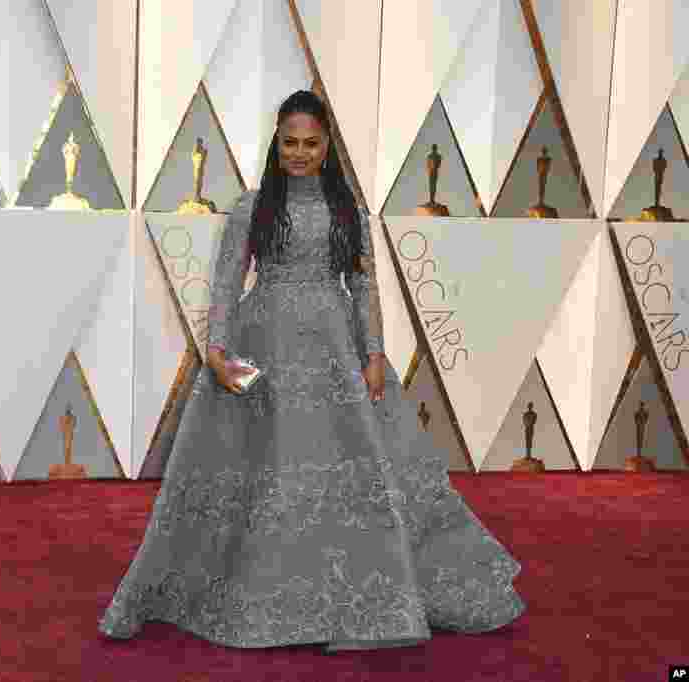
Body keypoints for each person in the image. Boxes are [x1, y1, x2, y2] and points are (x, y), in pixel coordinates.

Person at [99, 90, 525, 651]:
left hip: (334, 351)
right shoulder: (253, 208)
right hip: (265, 349)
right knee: (266, 472)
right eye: (289, 142)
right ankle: (258, 597)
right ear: (276, 143)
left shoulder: (347, 210)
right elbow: (227, 281)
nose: (298, 153)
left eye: (310, 143)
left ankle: (354, 596)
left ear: (327, 147)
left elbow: (363, 286)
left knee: (352, 475)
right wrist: (217, 353)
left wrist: (373, 355)